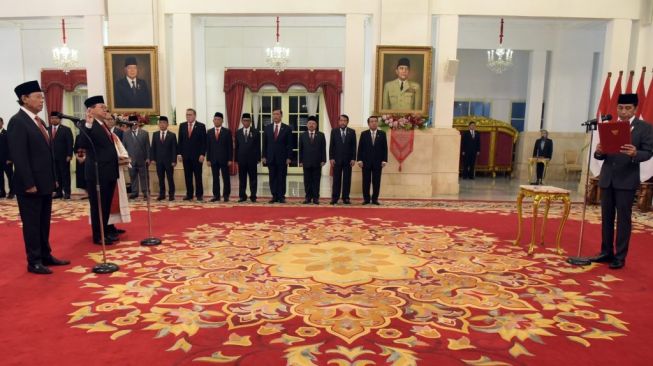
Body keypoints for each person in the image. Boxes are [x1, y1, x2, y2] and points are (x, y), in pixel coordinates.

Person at [7, 80, 70, 274]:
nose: (42, 100)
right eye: (38, 97)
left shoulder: (39, 121)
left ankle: (45, 255)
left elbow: (47, 153)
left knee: (43, 221)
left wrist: (54, 179)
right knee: (32, 224)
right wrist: (28, 183)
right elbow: (19, 156)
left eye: (42, 97)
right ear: (25, 99)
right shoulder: (17, 121)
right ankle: (33, 261)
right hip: (30, 185)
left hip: (45, 182)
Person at [590, 93, 653, 269]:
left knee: (623, 219)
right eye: (620, 108)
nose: (623, 111)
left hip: (626, 180)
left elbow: (648, 152)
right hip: (608, 178)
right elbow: (601, 155)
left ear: (635, 109)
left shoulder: (644, 128)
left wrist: (635, 154)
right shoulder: (609, 126)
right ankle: (606, 252)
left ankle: (620, 256)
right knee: (606, 217)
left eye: (627, 108)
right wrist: (599, 151)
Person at [76, 95, 121, 245]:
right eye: (101, 107)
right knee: (98, 206)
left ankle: (106, 230)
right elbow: (81, 144)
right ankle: (98, 235)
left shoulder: (103, 124)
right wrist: (88, 125)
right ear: (91, 110)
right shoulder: (87, 124)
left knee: (106, 205)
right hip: (97, 174)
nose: (105, 109)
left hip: (109, 172)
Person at [262, 109, 292, 203]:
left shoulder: (287, 128)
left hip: (282, 158)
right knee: (272, 177)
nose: (275, 116)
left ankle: (281, 196)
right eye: (274, 114)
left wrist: (289, 157)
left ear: (281, 115)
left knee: (282, 177)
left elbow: (290, 144)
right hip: (270, 157)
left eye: (277, 114)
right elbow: (265, 143)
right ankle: (274, 195)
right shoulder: (267, 128)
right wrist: (264, 156)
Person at [357, 116, 388, 205]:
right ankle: (366, 199)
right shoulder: (364, 134)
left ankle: (375, 199)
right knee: (366, 181)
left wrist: (384, 160)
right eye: (372, 121)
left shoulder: (382, 134)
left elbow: (384, 148)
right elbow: (360, 148)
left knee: (376, 181)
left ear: (377, 123)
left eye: (375, 121)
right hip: (366, 162)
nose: (374, 123)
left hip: (378, 162)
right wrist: (359, 160)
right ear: (368, 123)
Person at [178, 108, 207, 201]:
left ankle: (199, 194)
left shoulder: (201, 126)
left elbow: (204, 142)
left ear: (195, 116)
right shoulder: (182, 126)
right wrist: (179, 153)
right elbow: (180, 141)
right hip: (186, 156)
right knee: (188, 176)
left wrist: (202, 154)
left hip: (197, 156)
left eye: (190, 115)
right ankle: (189, 194)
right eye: (187, 115)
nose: (188, 116)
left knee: (198, 176)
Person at [329, 114, 357, 205]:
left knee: (347, 179)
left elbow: (354, 146)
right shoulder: (334, 131)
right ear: (338, 121)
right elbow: (331, 146)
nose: (343, 122)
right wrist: (331, 158)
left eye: (345, 120)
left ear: (347, 122)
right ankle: (335, 198)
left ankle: (346, 198)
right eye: (341, 120)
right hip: (337, 159)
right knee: (336, 179)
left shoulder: (352, 132)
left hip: (348, 160)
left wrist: (353, 158)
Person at [299, 116, 326, 204]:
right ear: (307, 125)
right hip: (306, 162)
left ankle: (315, 198)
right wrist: (300, 161)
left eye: (313, 124)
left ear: (316, 125)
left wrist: (323, 160)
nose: (311, 125)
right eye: (310, 123)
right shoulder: (303, 135)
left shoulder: (321, 135)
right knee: (307, 181)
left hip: (317, 162)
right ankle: (308, 197)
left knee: (316, 180)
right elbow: (301, 149)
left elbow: (323, 148)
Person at [206, 112, 232, 202]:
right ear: (213, 120)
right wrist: (208, 159)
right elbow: (208, 147)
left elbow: (230, 147)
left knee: (226, 178)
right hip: (213, 159)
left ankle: (226, 195)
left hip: (224, 159)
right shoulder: (209, 132)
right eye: (215, 119)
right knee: (215, 178)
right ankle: (216, 195)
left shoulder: (227, 132)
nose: (217, 121)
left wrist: (229, 159)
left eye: (219, 119)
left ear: (222, 121)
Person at [122, 116, 150, 199]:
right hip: (131, 160)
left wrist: (148, 157)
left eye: (135, 122)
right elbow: (124, 147)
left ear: (138, 123)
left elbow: (147, 146)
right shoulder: (126, 134)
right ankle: (134, 192)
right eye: (132, 123)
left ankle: (146, 192)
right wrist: (125, 158)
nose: (134, 124)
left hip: (142, 159)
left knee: (144, 176)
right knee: (132, 176)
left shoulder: (144, 133)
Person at [150, 116, 177, 201]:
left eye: (164, 123)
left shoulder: (172, 135)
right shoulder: (155, 134)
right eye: (160, 123)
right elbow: (153, 148)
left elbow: (174, 149)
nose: (162, 125)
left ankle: (171, 194)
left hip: (169, 161)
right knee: (160, 178)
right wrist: (153, 159)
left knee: (170, 178)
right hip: (159, 161)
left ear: (167, 124)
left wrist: (174, 160)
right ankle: (162, 194)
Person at [235, 113, 260, 202]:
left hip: (252, 159)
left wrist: (258, 158)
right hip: (241, 159)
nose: (246, 122)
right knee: (242, 179)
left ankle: (253, 195)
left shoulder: (255, 132)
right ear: (242, 121)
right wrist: (236, 159)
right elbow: (237, 147)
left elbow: (258, 146)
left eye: (248, 121)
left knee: (253, 178)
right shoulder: (238, 132)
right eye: (244, 120)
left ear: (250, 121)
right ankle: (242, 196)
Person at [48, 111, 73, 199]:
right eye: (52, 118)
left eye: (56, 118)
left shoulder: (66, 129)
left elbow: (70, 143)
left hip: (64, 156)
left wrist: (69, 155)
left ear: (59, 119)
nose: (53, 120)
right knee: (56, 175)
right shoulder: (47, 129)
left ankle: (67, 192)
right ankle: (58, 192)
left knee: (65, 174)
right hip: (51, 157)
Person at [0, 117, 15, 199]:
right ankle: (2, 192)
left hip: (7, 160)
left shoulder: (7, 133)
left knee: (10, 177)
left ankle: (12, 192)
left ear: (2, 123)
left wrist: (10, 158)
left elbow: (11, 146)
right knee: (0, 177)